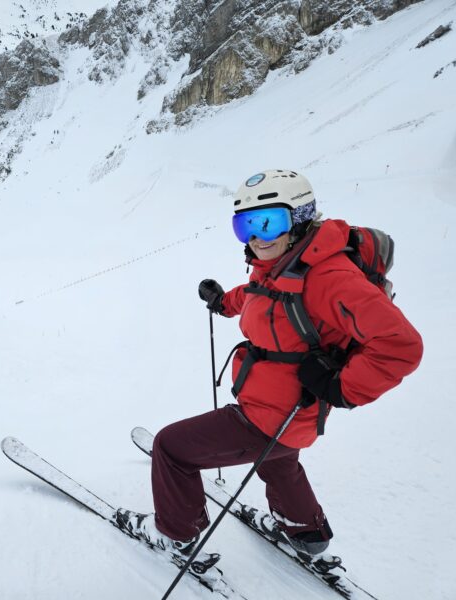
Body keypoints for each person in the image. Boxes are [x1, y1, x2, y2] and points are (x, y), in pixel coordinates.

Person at [116, 169, 423, 557]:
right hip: (290, 415)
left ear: (299, 217)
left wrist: (341, 388)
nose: (257, 238)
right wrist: (221, 303)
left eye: (268, 222)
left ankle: (176, 534)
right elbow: (261, 293)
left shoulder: (329, 276)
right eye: (244, 226)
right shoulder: (290, 264)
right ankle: (307, 534)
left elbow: (401, 346)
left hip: (269, 416)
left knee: (171, 448)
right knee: (278, 459)